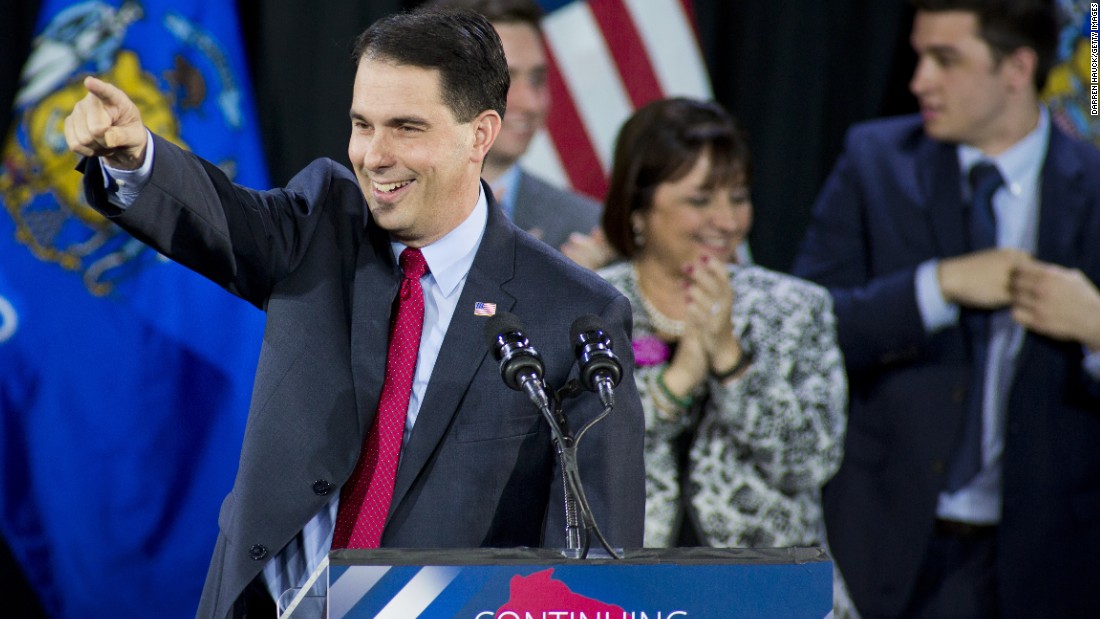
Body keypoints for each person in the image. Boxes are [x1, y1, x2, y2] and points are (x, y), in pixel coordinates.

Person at [64, 7, 645, 618]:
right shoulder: (321, 226)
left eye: (406, 128)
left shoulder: (574, 313)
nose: (374, 155)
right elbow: (222, 217)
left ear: (480, 133)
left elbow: (594, 557)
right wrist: (135, 158)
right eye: (362, 124)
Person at [792, 0, 1100, 616]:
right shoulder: (874, 160)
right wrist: (937, 286)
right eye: (919, 55)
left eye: (946, 60)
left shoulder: (1094, 185)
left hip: (1043, 561)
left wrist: (1096, 328)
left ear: (1016, 68)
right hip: (881, 541)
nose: (918, 81)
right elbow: (805, 329)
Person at [597, 97, 847, 550]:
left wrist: (731, 360)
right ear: (638, 208)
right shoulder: (592, 308)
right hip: (631, 588)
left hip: (767, 590)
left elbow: (812, 461)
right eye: (700, 199)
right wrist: (679, 380)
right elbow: (580, 453)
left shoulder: (794, 307)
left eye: (738, 197)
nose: (727, 221)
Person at [431, 0, 609, 266]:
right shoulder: (376, 217)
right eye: (506, 79)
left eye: (537, 79)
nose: (531, 103)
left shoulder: (585, 228)